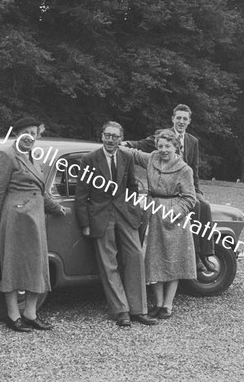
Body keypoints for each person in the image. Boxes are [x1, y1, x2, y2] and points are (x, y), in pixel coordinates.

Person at [0, 117, 68, 332]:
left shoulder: (33, 157)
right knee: (12, 266)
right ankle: (13, 315)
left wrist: (56, 207)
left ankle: (30, 313)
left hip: (36, 220)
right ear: (17, 134)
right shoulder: (7, 155)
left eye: (34, 134)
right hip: (15, 218)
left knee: (37, 266)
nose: (30, 137)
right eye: (26, 133)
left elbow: (40, 190)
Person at [74, 121, 157, 327]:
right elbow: (81, 194)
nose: (111, 140)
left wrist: (134, 211)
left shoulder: (126, 157)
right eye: (107, 135)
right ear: (101, 136)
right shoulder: (90, 159)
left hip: (124, 213)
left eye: (115, 137)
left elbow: (131, 187)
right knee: (108, 262)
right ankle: (121, 311)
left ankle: (139, 310)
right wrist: (85, 223)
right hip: (100, 216)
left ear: (121, 139)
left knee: (136, 255)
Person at [124, 104, 220, 274]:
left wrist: (197, 191)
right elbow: (141, 145)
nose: (181, 121)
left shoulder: (192, 141)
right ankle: (194, 255)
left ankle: (205, 253)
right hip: (167, 186)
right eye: (178, 118)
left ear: (189, 121)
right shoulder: (162, 136)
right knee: (195, 207)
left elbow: (194, 168)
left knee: (203, 205)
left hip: (185, 183)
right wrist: (124, 143)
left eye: (185, 119)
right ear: (173, 119)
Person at [122, 129, 196, 318]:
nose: (163, 150)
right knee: (153, 259)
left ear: (176, 147)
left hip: (174, 218)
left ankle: (168, 306)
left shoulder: (184, 169)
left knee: (172, 261)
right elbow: (135, 154)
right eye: (160, 146)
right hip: (152, 211)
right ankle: (158, 302)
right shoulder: (152, 158)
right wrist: (119, 144)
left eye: (167, 146)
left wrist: (174, 213)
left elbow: (189, 199)